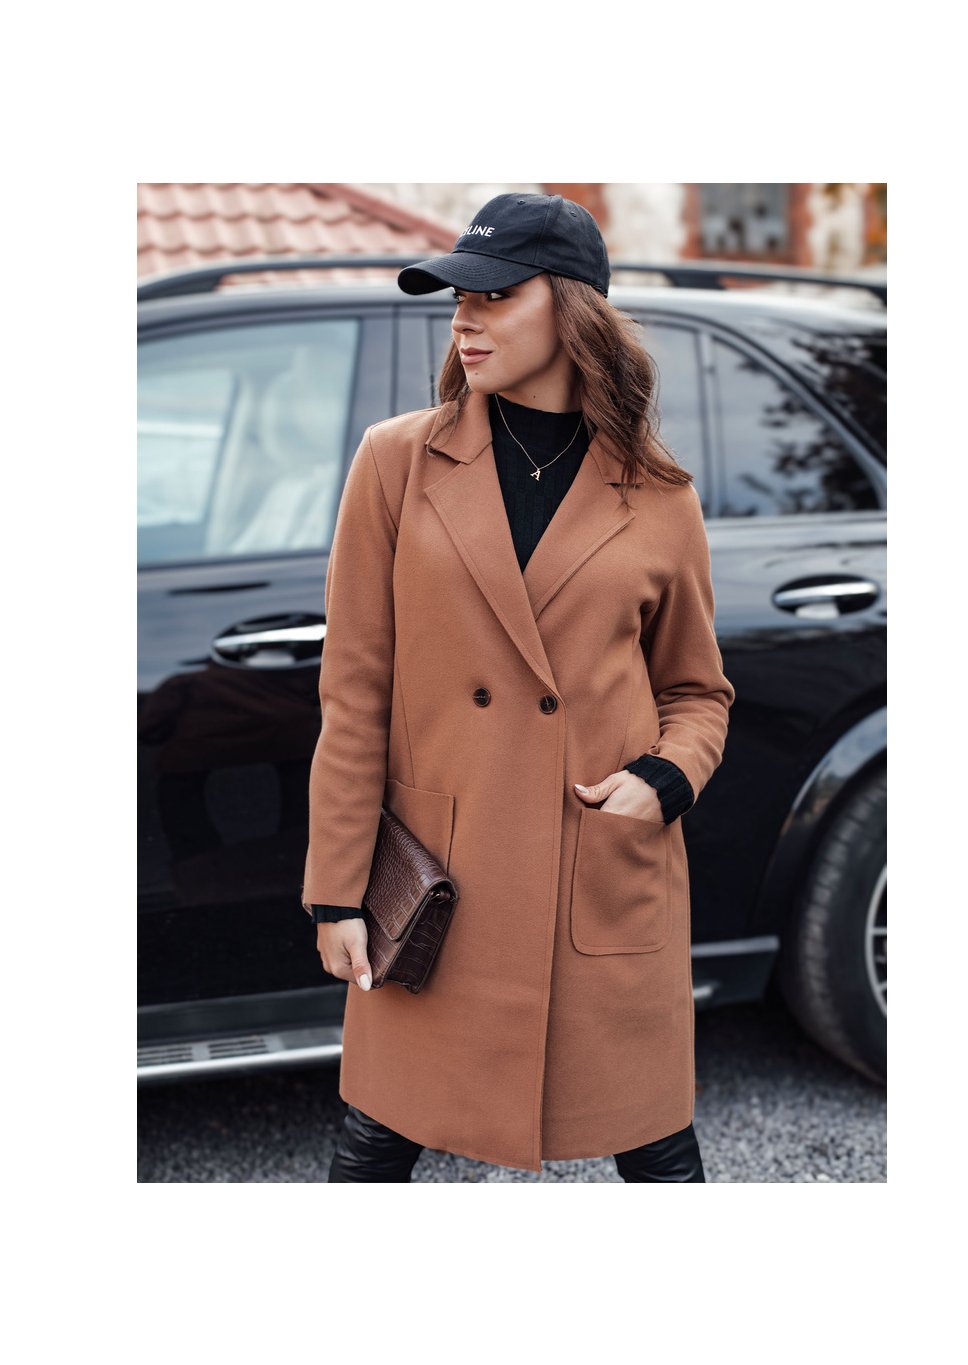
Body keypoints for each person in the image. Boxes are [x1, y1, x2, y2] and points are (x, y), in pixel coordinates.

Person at [301, 192, 735, 1181]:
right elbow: (353, 695)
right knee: (375, 1140)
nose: (466, 317)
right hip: (439, 885)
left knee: (657, 1145)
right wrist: (335, 894)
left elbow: (697, 692)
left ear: (571, 308)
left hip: (598, 873)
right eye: (458, 296)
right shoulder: (397, 463)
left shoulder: (658, 494)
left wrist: (663, 781)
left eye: (495, 295)